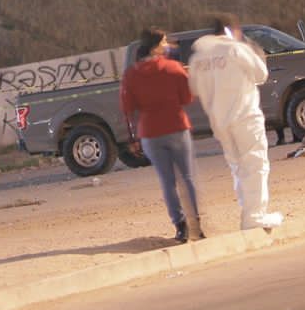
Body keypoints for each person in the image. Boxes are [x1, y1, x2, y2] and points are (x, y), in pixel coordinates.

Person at [188, 15, 283, 232]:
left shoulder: (198, 58)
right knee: (256, 166)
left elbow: (193, 88)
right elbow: (261, 74)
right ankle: (254, 217)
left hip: (219, 121)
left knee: (237, 167)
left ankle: (248, 213)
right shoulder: (236, 50)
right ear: (233, 30)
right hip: (245, 116)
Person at [119, 28, 204, 243]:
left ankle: (180, 226)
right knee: (187, 177)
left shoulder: (132, 74)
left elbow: (128, 107)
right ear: (156, 46)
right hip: (176, 126)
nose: (167, 45)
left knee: (167, 182)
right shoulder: (173, 68)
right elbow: (187, 98)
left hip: (150, 132)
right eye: (165, 42)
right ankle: (196, 224)